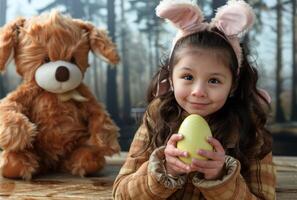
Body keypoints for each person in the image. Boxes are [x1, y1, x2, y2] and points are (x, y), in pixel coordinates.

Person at [112, 0, 276, 199]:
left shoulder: (250, 130)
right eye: (188, 77)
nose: (199, 91)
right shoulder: (157, 117)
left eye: (214, 80)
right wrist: (166, 171)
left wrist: (219, 177)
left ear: (232, 85)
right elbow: (121, 194)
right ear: (171, 79)